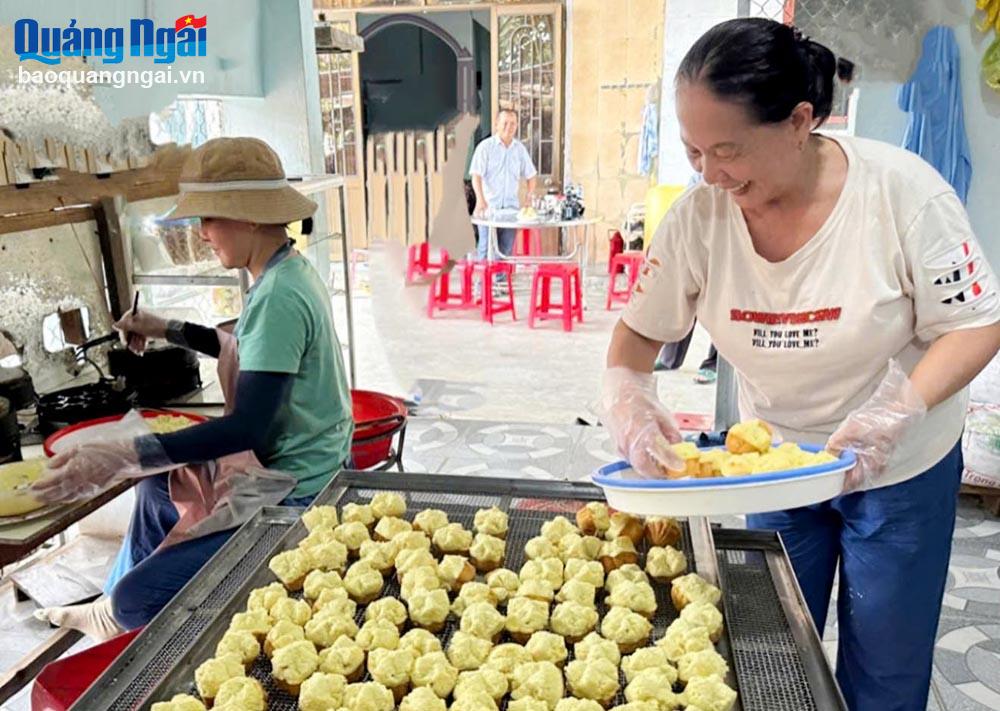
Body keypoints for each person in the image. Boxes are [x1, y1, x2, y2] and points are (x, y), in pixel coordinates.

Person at [601, 18, 1000, 711]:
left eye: (727, 150)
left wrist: (894, 411)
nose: (710, 174)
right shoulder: (701, 217)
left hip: (899, 465)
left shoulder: (902, 194)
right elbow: (634, 340)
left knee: (885, 665)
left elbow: (976, 325)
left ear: (799, 120)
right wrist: (633, 406)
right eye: (694, 151)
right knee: (767, 647)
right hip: (779, 463)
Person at [32, 137, 354, 637]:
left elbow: (246, 427)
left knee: (143, 598)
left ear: (247, 216)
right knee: (157, 490)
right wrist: (165, 327)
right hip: (289, 461)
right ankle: (107, 612)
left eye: (208, 218)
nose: (201, 233)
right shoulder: (283, 273)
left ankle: (131, 611)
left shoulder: (280, 297)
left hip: (297, 487)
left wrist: (125, 452)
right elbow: (240, 348)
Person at [470, 108, 538, 260]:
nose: (509, 127)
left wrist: (529, 197)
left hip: (511, 211)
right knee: (485, 248)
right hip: (489, 209)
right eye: (505, 123)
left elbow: (531, 176)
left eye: (513, 123)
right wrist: (480, 200)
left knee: (505, 251)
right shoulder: (485, 147)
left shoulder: (519, 149)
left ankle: (501, 282)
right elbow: (476, 176)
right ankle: (483, 283)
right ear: (496, 125)